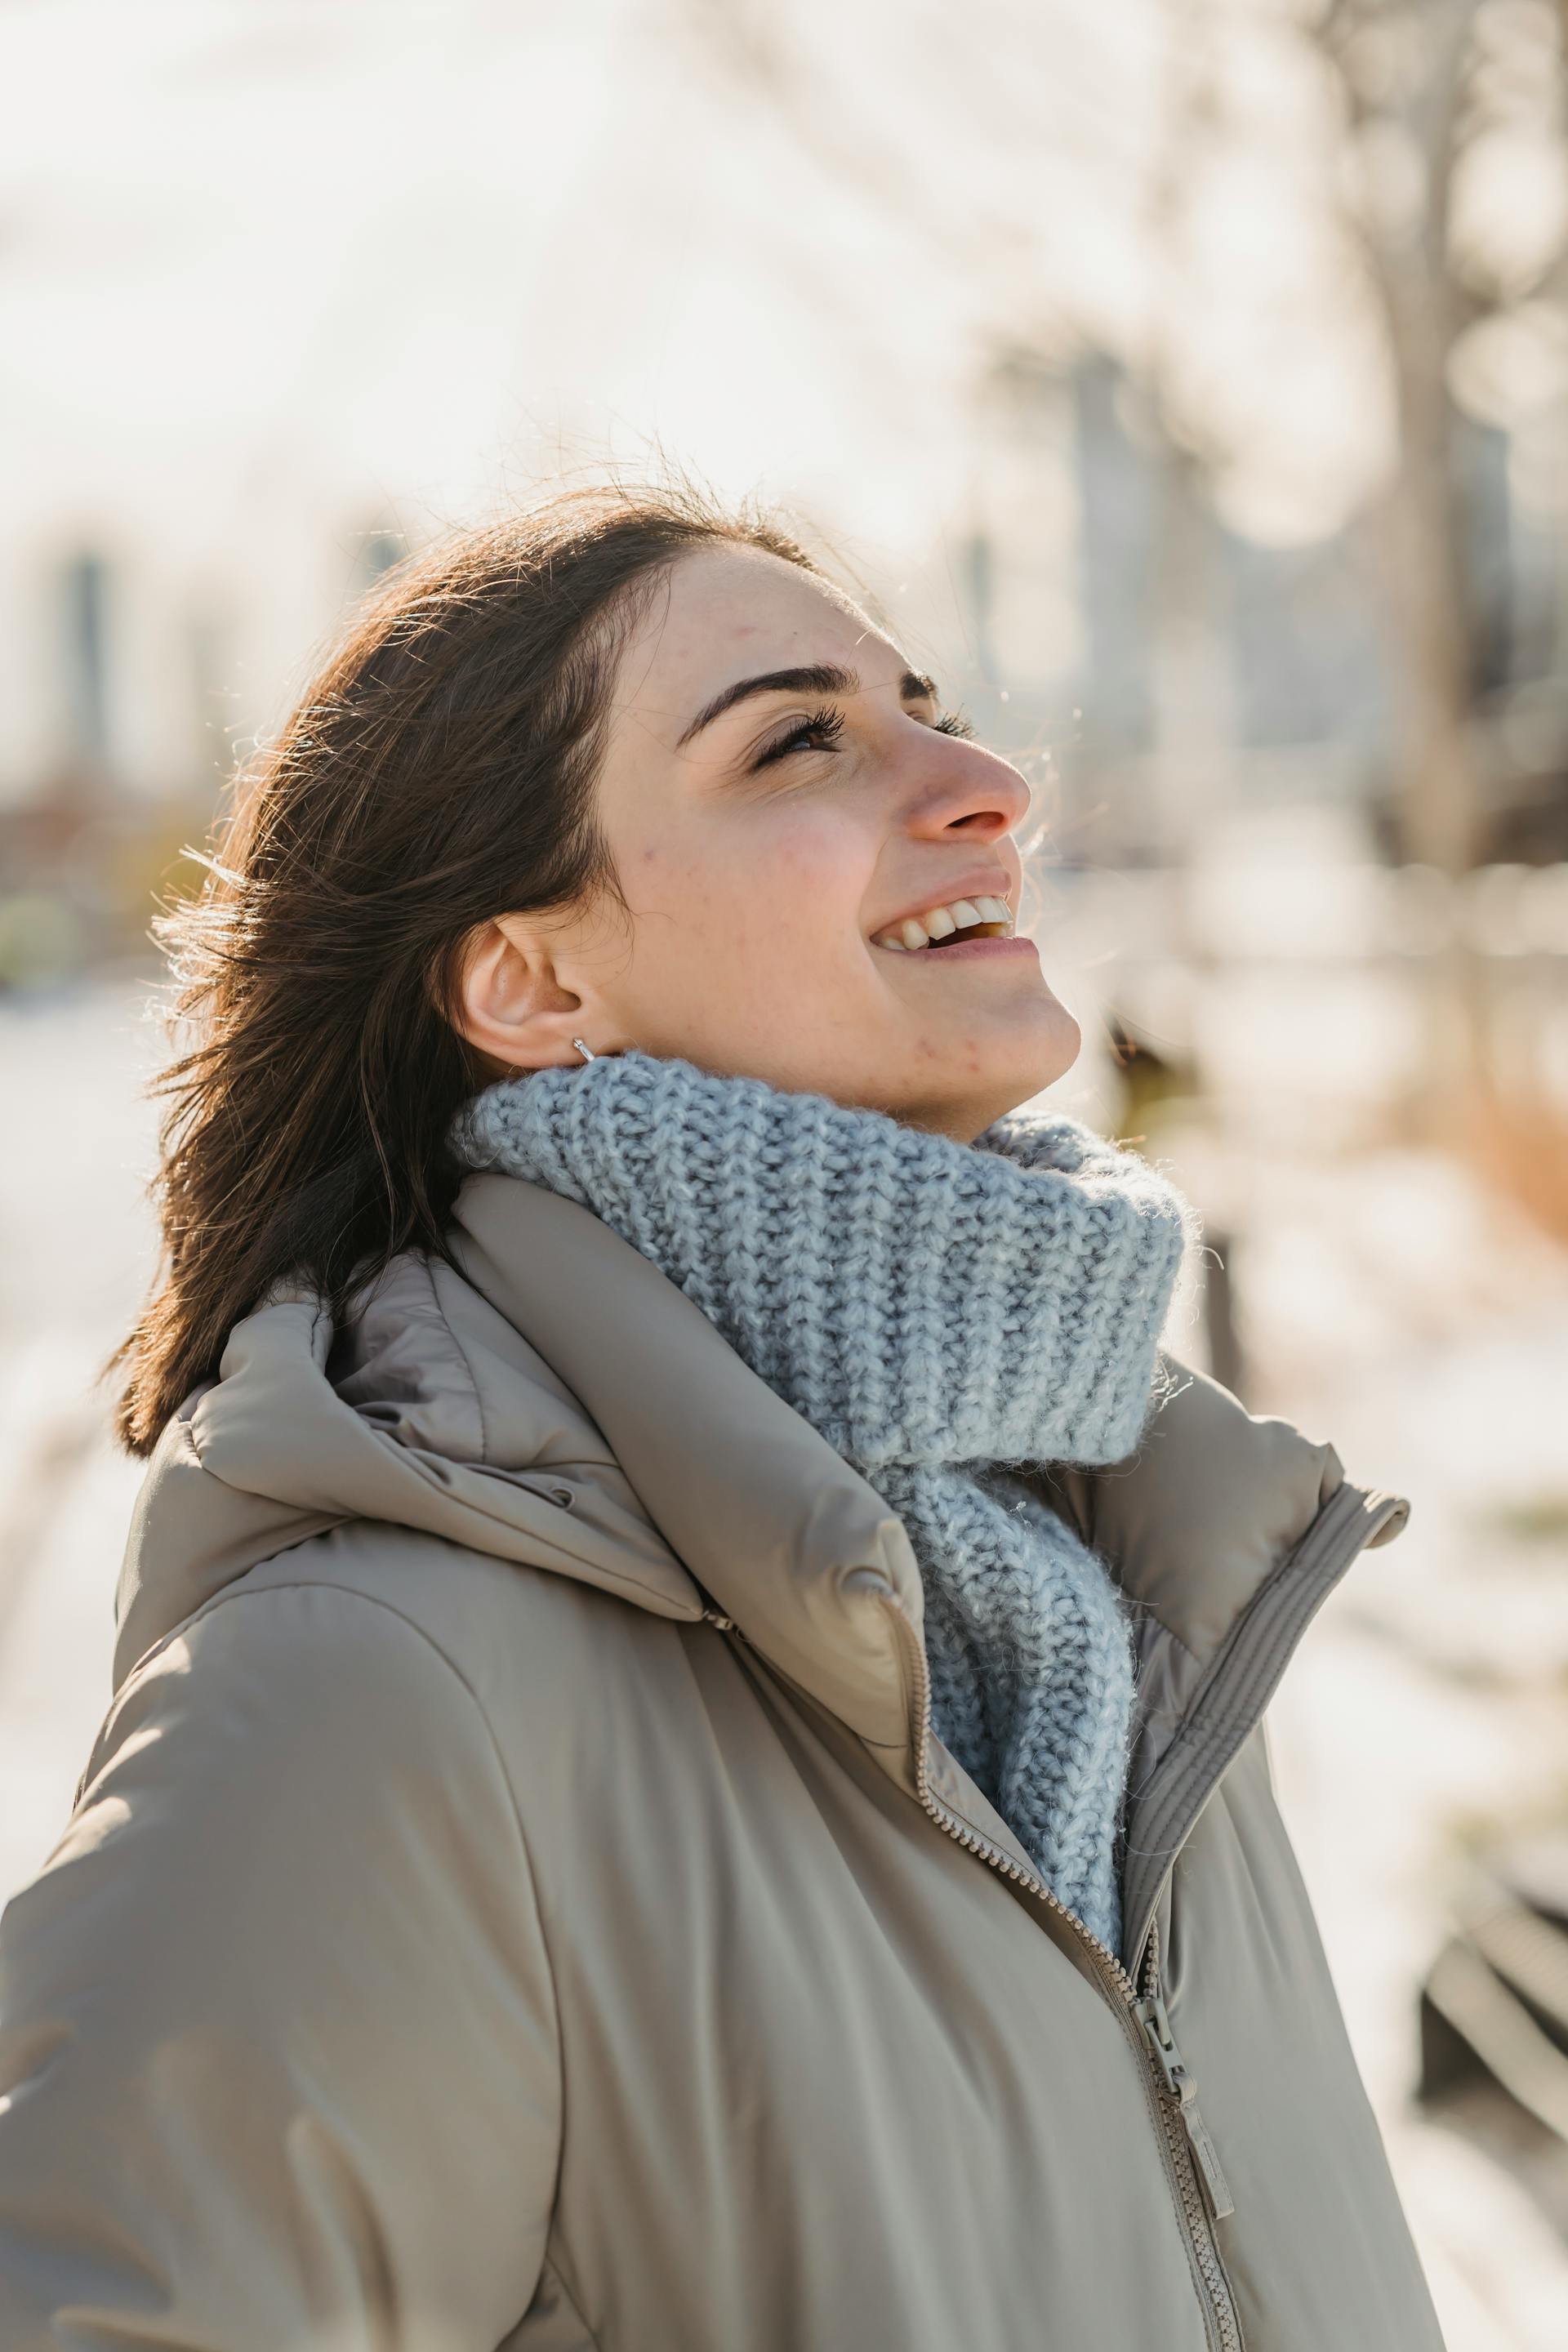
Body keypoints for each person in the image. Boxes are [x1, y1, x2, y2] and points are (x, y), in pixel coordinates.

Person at [0, 483, 1445, 2350]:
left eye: (929, 705)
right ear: (533, 979)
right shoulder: (371, 1688)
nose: (986, 777)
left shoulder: (1114, 1574)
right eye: (798, 743)